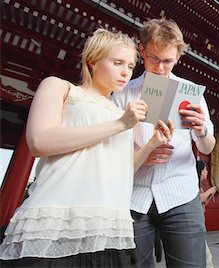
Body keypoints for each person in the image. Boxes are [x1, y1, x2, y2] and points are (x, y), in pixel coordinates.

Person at [0, 29, 174, 267]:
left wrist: (152, 143)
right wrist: (120, 124)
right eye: (118, 63)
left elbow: (124, 169)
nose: (126, 72)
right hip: (58, 218)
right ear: (93, 61)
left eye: (131, 66)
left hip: (108, 225)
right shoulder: (60, 88)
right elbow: (40, 142)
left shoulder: (122, 113)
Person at [112, 18, 216, 268]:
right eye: (153, 58)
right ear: (141, 52)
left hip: (180, 192)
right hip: (133, 196)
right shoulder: (124, 92)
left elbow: (207, 148)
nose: (159, 67)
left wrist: (201, 130)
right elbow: (112, 149)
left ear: (178, 55)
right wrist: (142, 154)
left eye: (167, 60)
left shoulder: (191, 92)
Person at [196, 160, 217, 268]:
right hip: (195, 224)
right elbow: (199, 199)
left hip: (200, 221)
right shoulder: (193, 184)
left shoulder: (200, 186)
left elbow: (203, 202)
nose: (207, 172)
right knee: (206, 255)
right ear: (200, 171)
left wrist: (209, 195)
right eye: (205, 169)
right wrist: (211, 190)